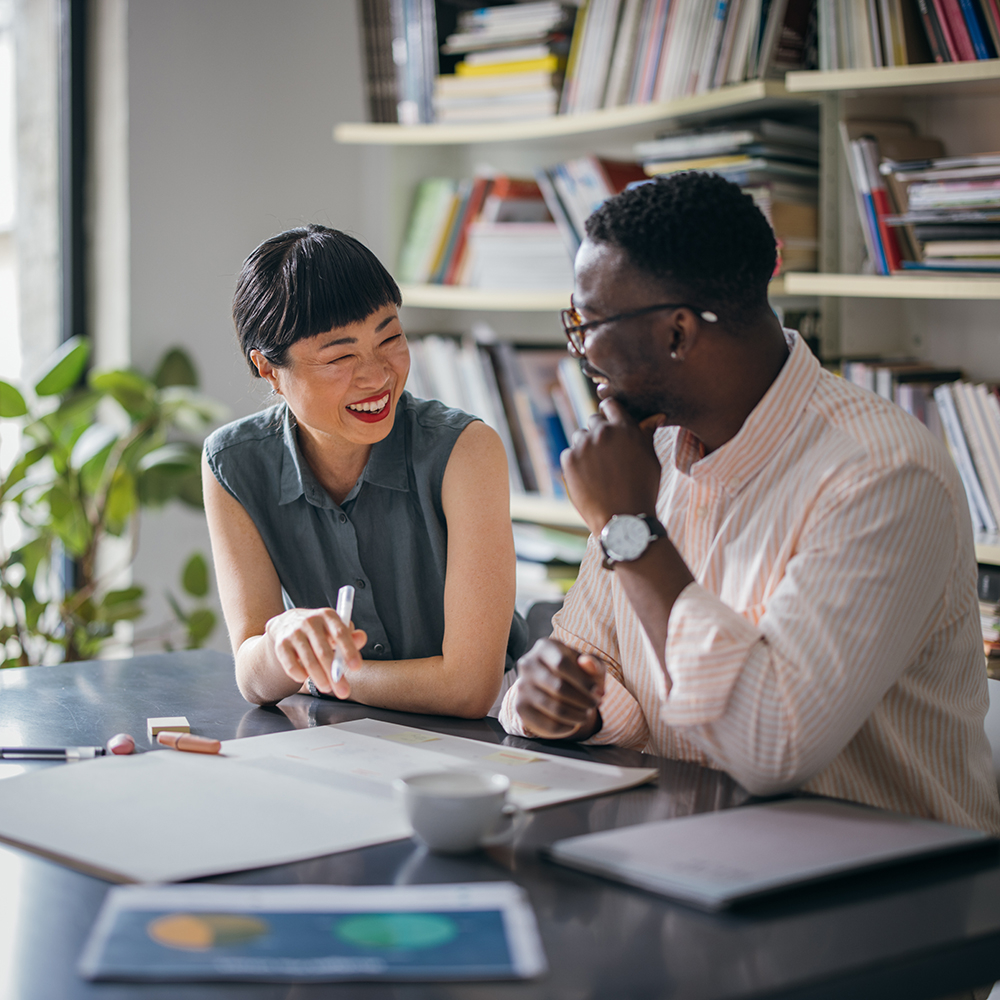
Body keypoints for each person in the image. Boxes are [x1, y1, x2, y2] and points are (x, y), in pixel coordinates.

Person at [500, 172, 1000, 836]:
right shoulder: (645, 452)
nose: (581, 353)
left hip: (882, 893)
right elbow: (600, 664)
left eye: (588, 324)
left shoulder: (881, 475)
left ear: (678, 333)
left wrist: (630, 529)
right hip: (694, 850)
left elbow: (772, 744)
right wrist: (572, 705)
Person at [203, 225, 526, 716]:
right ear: (269, 370)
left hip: (492, 737)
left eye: (390, 338)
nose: (377, 376)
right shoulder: (233, 462)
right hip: (344, 742)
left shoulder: (466, 450)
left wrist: (315, 678)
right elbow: (252, 674)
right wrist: (278, 643)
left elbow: (469, 688)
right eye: (340, 356)